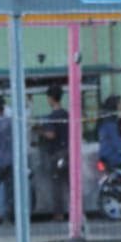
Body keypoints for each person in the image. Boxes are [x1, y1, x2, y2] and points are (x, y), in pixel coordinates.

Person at [34, 84, 69, 221]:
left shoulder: (52, 116)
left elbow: (51, 135)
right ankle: (76, 211)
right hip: (68, 152)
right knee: (70, 183)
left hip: (57, 154)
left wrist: (40, 130)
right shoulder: (66, 114)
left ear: (51, 98)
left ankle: (59, 213)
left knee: (57, 184)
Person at [95, 95, 121, 172]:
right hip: (113, 158)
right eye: (120, 104)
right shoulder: (110, 124)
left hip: (106, 157)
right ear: (115, 105)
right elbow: (118, 144)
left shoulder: (107, 122)